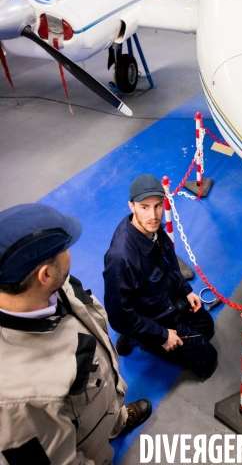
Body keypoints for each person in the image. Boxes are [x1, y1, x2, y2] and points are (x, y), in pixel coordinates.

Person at [0, 203, 152, 465]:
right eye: (63, 250)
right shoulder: (17, 402)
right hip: (87, 449)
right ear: (44, 274)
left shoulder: (45, 288)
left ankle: (117, 421)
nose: (69, 254)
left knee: (107, 411)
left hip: (98, 402)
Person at [103, 174, 218, 379]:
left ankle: (136, 335)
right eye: (144, 207)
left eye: (157, 205)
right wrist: (162, 335)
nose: (153, 215)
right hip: (153, 318)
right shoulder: (121, 258)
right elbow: (119, 318)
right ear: (132, 206)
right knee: (207, 357)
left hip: (167, 301)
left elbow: (170, 262)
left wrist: (186, 289)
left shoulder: (153, 230)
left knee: (207, 328)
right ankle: (140, 338)